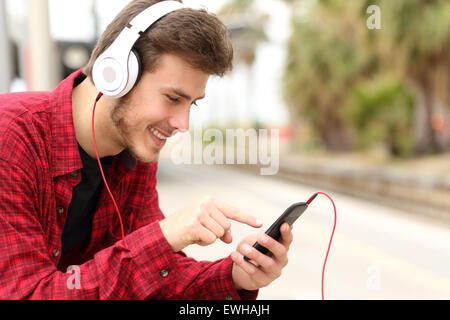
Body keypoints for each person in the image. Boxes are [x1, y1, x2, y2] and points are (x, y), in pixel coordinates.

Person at [0, 0, 293, 300]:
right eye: (172, 98)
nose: (183, 123)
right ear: (116, 74)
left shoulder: (134, 151)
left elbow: (153, 280)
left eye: (192, 103)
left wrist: (236, 277)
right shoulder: (10, 138)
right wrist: (163, 237)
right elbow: (27, 294)